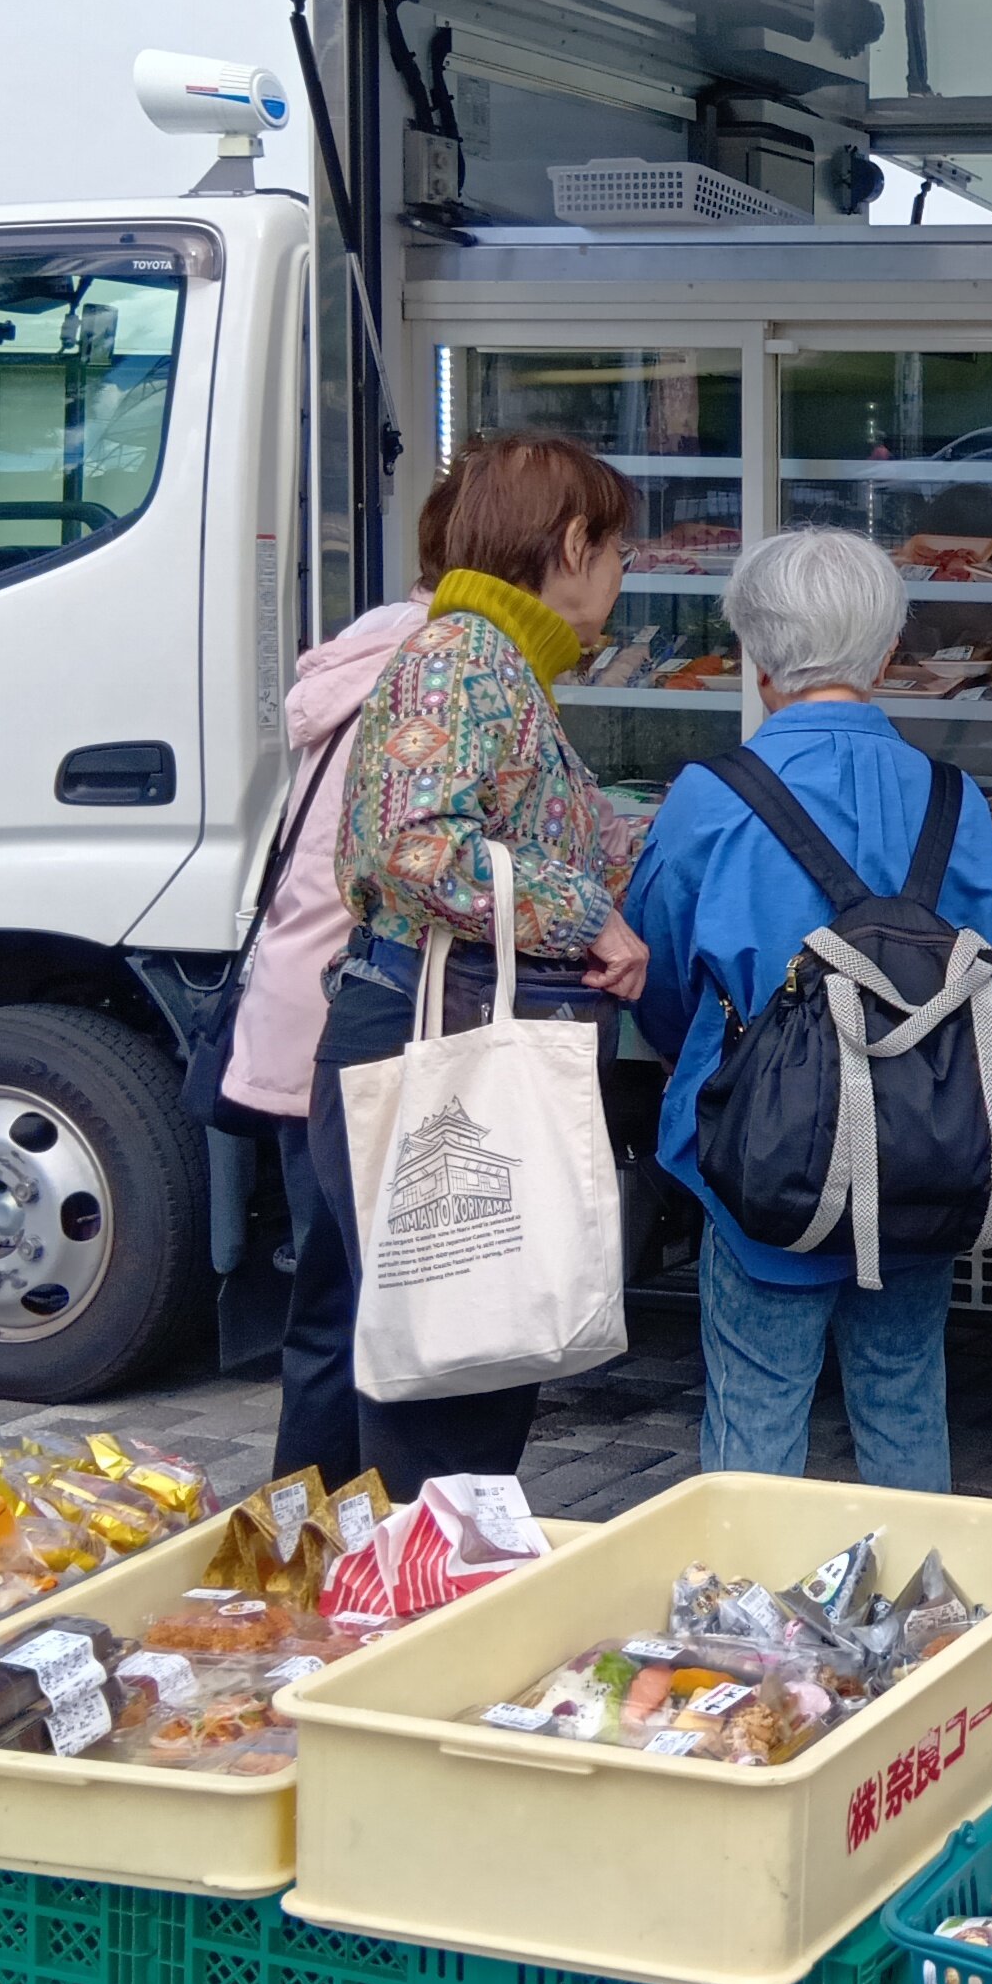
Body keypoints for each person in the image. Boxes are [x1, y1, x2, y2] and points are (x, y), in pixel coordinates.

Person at [624, 525, 992, 1488]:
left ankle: (749, 1587)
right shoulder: (951, 797)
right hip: (921, 1148)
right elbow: (990, 968)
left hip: (762, 1161)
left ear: (755, 657)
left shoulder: (711, 798)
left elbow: (658, 971)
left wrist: (709, 1062)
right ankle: (915, 1585)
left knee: (756, 1407)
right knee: (905, 1391)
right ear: (888, 654)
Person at [303, 430, 651, 1495]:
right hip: (435, 1033)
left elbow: (538, 832)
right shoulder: (461, 659)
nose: (623, 573)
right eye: (618, 549)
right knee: (451, 1376)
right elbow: (411, 849)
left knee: (447, 1362)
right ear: (573, 541)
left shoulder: (501, 664)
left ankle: (383, 1578)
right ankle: (427, 1589)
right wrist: (588, 915)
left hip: (445, 1024)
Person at [229, 466, 458, 1477]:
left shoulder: (365, 655)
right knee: (375, 1310)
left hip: (303, 1010)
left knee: (328, 1305)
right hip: (356, 1017)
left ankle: (305, 1526)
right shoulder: (433, 679)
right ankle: (364, 1534)